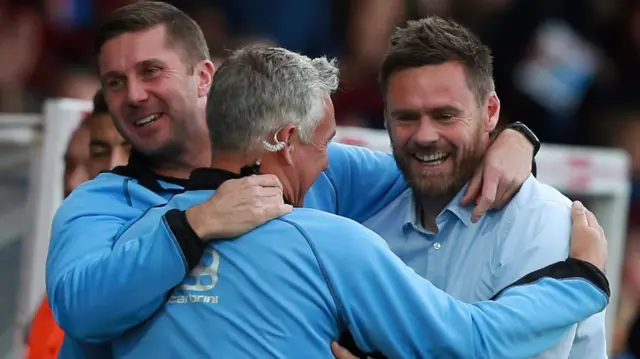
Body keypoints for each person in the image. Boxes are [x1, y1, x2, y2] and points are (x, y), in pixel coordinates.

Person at [48, 1, 542, 357]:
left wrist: (514, 139)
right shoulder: (100, 203)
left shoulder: (316, 161)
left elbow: (431, 159)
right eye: (114, 81)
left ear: (204, 77)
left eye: (150, 71)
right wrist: (192, 227)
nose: (133, 95)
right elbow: (80, 312)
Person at [103, 45, 609, 359]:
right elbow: (471, 341)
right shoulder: (328, 243)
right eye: (324, 143)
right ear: (285, 139)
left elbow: (85, 335)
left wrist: (513, 138)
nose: (329, 163)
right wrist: (581, 281)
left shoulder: (130, 239)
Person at [334, 17, 606, 359]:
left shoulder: (542, 222)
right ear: (385, 117)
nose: (424, 135)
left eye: (445, 116)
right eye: (406, 117)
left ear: (490, 111)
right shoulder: (365, 225)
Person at [26, 90, 130, 359]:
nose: (73, 183)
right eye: (69, 165)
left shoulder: (143, 278)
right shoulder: (60, 286)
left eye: (87, 165)